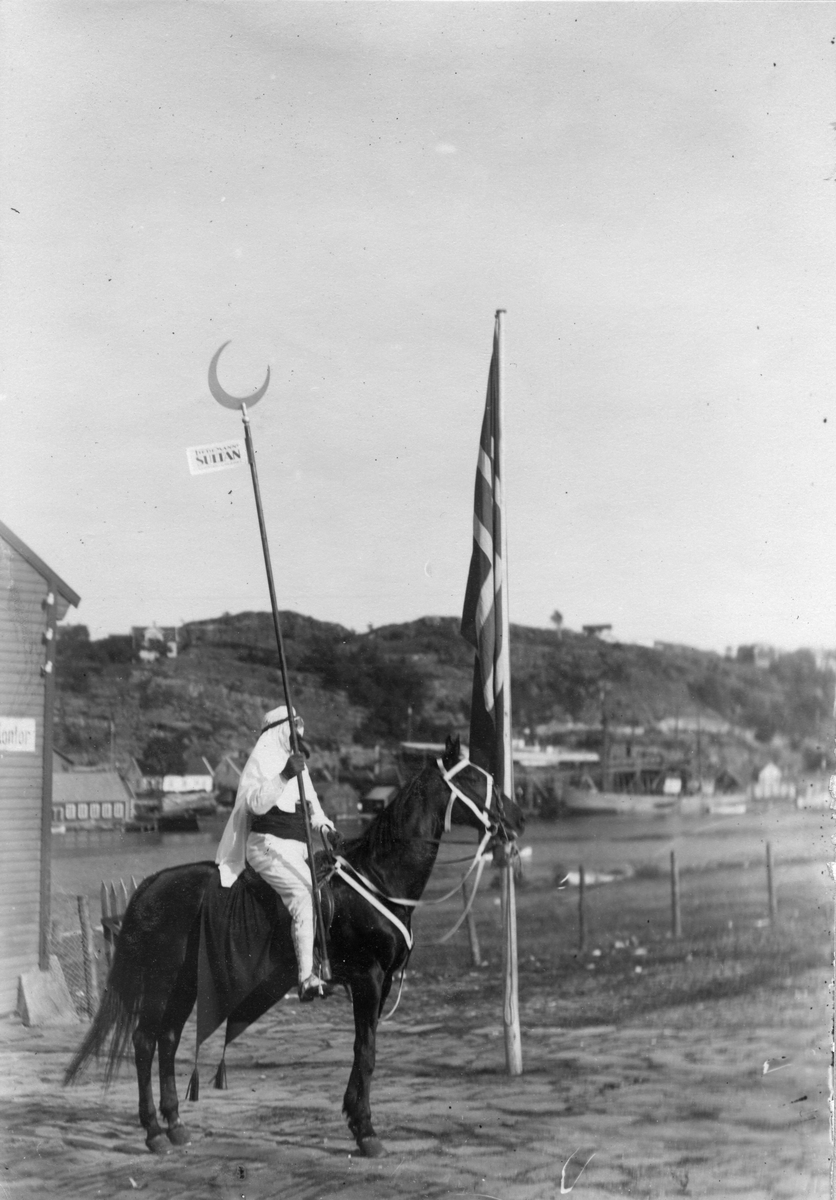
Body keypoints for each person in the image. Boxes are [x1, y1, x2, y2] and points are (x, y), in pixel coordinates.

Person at [215, 704, 336, 1001]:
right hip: (267, 845)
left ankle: (322, 961)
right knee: (302, 894)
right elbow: (254, 805)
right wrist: (283, 776)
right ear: (280, 729)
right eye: (292, 728)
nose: (298, 735)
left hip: (298, 849)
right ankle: (306, 978)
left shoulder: (299, 766)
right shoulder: (262, 762)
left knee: (330, 890)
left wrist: (327, 830)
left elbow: (315, 813)